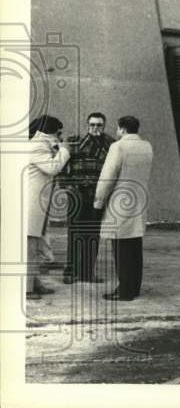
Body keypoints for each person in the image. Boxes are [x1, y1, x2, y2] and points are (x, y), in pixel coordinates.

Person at [94, 115, 152, 301]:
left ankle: (125, 291)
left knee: (121, 249)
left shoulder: (117, 146)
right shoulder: (147, 146)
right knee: (135, 247)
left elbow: (107, 178)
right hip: (139, 200)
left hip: (119, 202)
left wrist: (98, 203)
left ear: (122, 129)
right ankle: (133, 287)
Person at [60, 112, 115, 284]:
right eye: (92, 125)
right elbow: (61, 166)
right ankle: (70, 272)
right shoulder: (75, 143)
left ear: (104, 126)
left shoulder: (111, 145)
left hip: (97, 196)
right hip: (77, 194)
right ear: (87, 125)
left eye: (99, 125)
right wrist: (66, 185)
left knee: (92, 235)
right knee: (75, 234)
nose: (95, 128)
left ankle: (87, 273)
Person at [26, 115, 71, 300]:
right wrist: (65, 150)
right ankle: (27, 289)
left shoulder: (41, 143)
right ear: (50, 130)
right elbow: (53, 167)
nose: (59, 136)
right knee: (29, 249)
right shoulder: (36, 145)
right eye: (58, 132)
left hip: (38, 204)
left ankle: (34, 283)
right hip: (30, 204)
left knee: (34, 247)